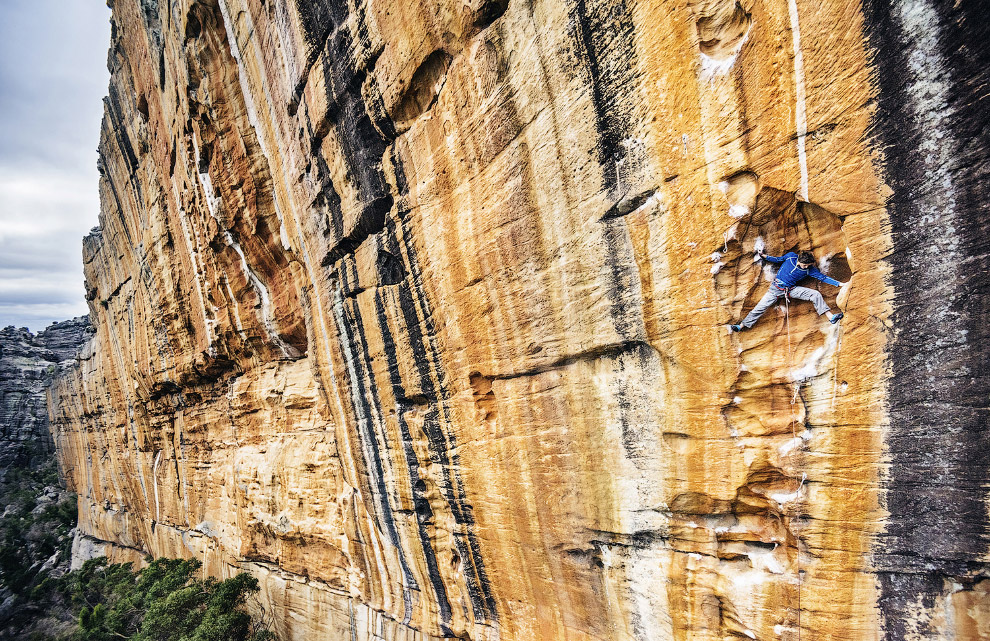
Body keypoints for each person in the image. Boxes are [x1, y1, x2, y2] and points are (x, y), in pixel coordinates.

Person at [730, 250, 847, 332]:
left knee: (815, 294)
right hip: (775, 290)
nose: (806, 267)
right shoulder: (791, 257)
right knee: (759, 308)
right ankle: (741, 326)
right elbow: (778, 259)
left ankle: (831, 317)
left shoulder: (810, 270)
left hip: (791, 290)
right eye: (805, 265)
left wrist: (839, 284)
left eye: (808, 265)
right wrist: (765, 257)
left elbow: (823, 277)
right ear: (799, 260)